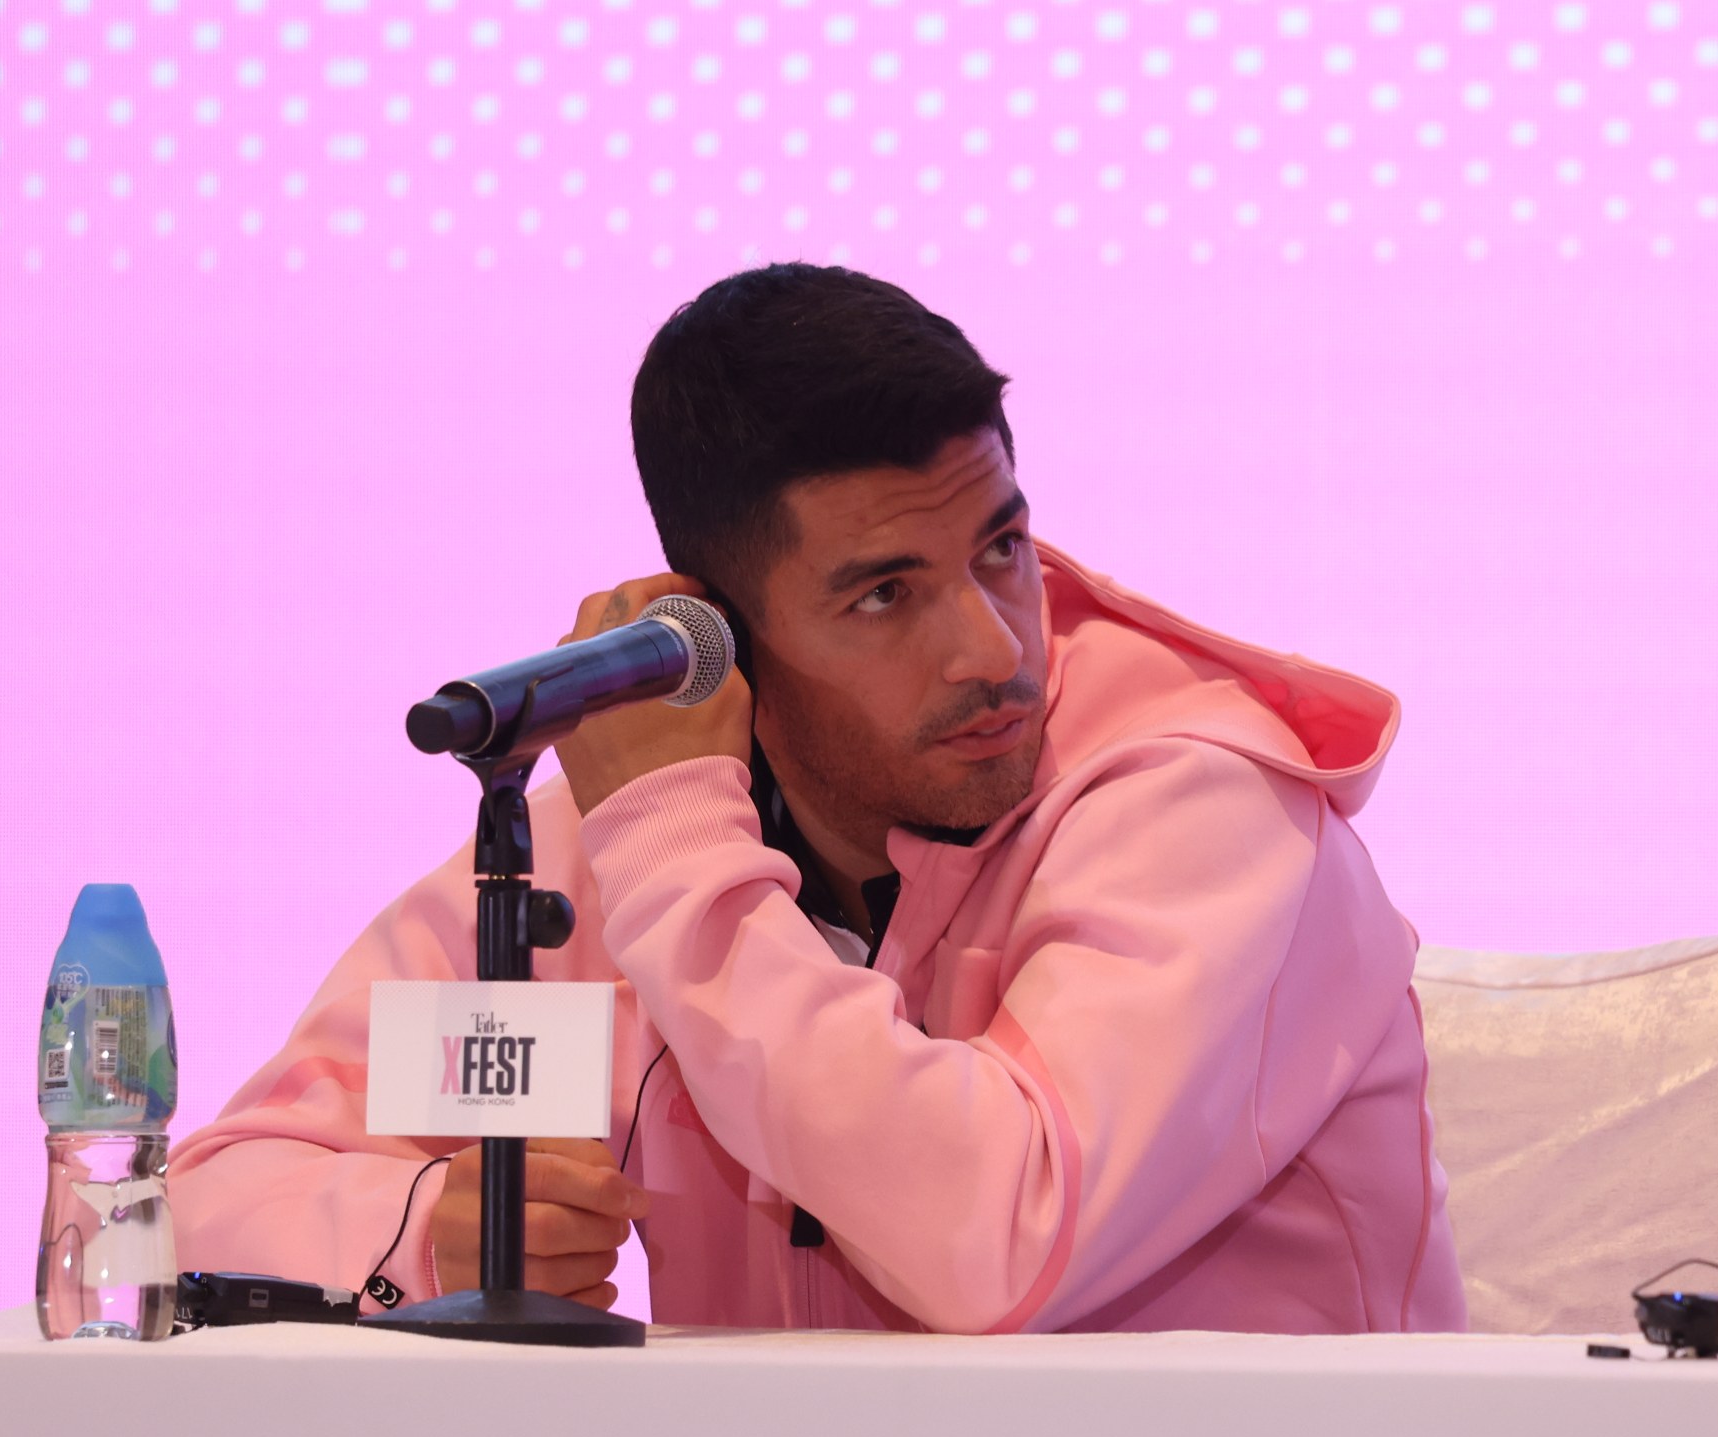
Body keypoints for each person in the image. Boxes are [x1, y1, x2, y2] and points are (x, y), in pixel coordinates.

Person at [172, 264, 1465, 1334]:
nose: (991, 649)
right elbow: (190, 1207)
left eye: (1000, 549)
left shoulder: (1206, 811)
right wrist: (419, 1234)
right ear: (724, 629)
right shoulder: (598, 860)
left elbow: (993, 1237)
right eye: (884, 595)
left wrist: (675, 843)